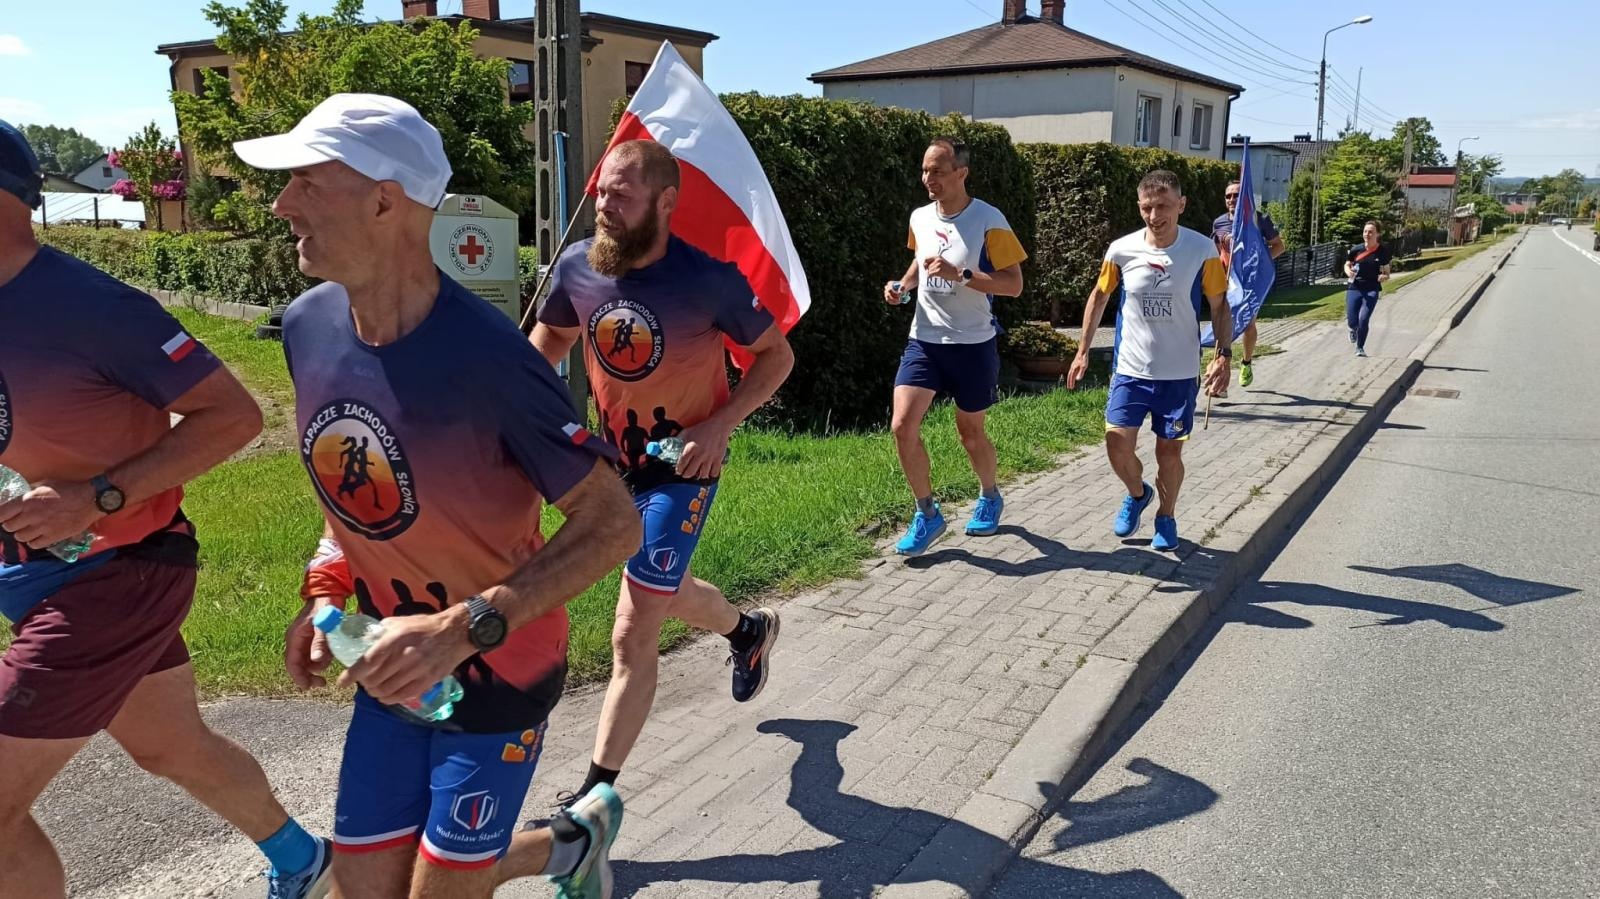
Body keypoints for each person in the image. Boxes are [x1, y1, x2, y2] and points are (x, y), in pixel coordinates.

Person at [235, 94, 641, 899]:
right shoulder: (308, 327)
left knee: (443, 891)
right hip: (392, 663)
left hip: (501, 667)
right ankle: (574, 840)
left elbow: (614, 522)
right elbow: (352, 489)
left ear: (386, 199)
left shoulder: (491, 362)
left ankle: (569, 838)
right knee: (365, 887)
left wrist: (463, 626)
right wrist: (324, 590)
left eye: (308, 182)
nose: (282, 204)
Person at [0, 119, 332, 899]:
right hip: (42, 576)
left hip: (116, 575)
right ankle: (304, 861)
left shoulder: (91, 306)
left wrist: (96, 494)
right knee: (171, 745)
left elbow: (234, 416)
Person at [528, 138, 795, 815]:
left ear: (665, 202)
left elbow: (776, 356)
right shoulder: (576, 270)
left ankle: (594, 798)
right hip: (610, 466)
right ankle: (746, 630)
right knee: (663, 589)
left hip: (683, 466)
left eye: (620, 194)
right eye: (602, 192)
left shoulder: (709, 280)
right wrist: (532, 422)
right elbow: (547, 347)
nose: (604, 206)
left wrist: (720, 424)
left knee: (632, 623)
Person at [1065, 169, 1231, 552]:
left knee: (1168, 453)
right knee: (1116, 444)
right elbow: (1100, 295)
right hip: (1130, 370)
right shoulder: (1121, 250)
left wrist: (1223, 354)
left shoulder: (1200, 251)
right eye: (1147, 208)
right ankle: (1138, 493)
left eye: (1163, 207)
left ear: (1181, 205)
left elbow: (1220, 304)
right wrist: (1082, 349)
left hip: (1178, 375)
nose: (1155, 216)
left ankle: (1166, 516)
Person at [882, 137, 1027, 555]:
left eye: (938, 172)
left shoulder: (989, 219)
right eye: (925, 171)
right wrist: (902, 286)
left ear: (961, 173)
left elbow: (1013, 285)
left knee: (970, 433)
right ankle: (927, 514)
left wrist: (962, 274)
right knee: (902, 426)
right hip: (924, 340)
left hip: (972, 344)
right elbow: (921, 261)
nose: (929, 179)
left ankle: (989, 495)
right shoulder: (920, 217)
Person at [1212, 179, 1285, 388]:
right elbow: (1216, 249)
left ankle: (1246, 362)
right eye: (1228, 196)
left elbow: (1279, 246)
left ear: (1245, 197)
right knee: (1221, 325)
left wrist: (1259, 265)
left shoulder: (1258, 220)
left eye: (1236, 195)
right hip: (1227, 282)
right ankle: (1220, 377)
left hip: (1250, 283)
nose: (1232, 199)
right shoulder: (1219, 222)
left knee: (1247, 323)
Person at [1344, 220, 1393, 358]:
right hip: (1354, 287)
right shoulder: (1356, 249)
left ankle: (1360, 347)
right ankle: (1353, 329)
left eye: (1371, 231)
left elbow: (1387, 272)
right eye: (1365, 231)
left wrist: (1384, 277)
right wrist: (1348, 272)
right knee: (1353, 320)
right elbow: (1347, 265)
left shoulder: (1382, 251)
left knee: (1363, 319)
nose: (1367, 234)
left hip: (1371, 289)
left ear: (1378, 234)